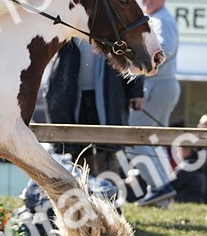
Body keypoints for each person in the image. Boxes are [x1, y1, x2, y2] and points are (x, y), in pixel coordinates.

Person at [45, 37, 144, 178]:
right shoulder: (68, 27)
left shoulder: (110, 26)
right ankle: (78, 188)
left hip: (108, 95)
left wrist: (136, 93)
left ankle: (110, 188)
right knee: (74, 147)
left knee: (108, 145)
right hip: (71, 97)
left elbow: (133, 54)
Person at [129, 0, 181, 205]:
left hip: (156, 87)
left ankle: (160, 187)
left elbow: (164, 52)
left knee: (134, 136)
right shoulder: (158, 18)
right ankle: (163, 194)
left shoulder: (161, 21)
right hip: (164, 86)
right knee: (152, 140)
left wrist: (135, 65)